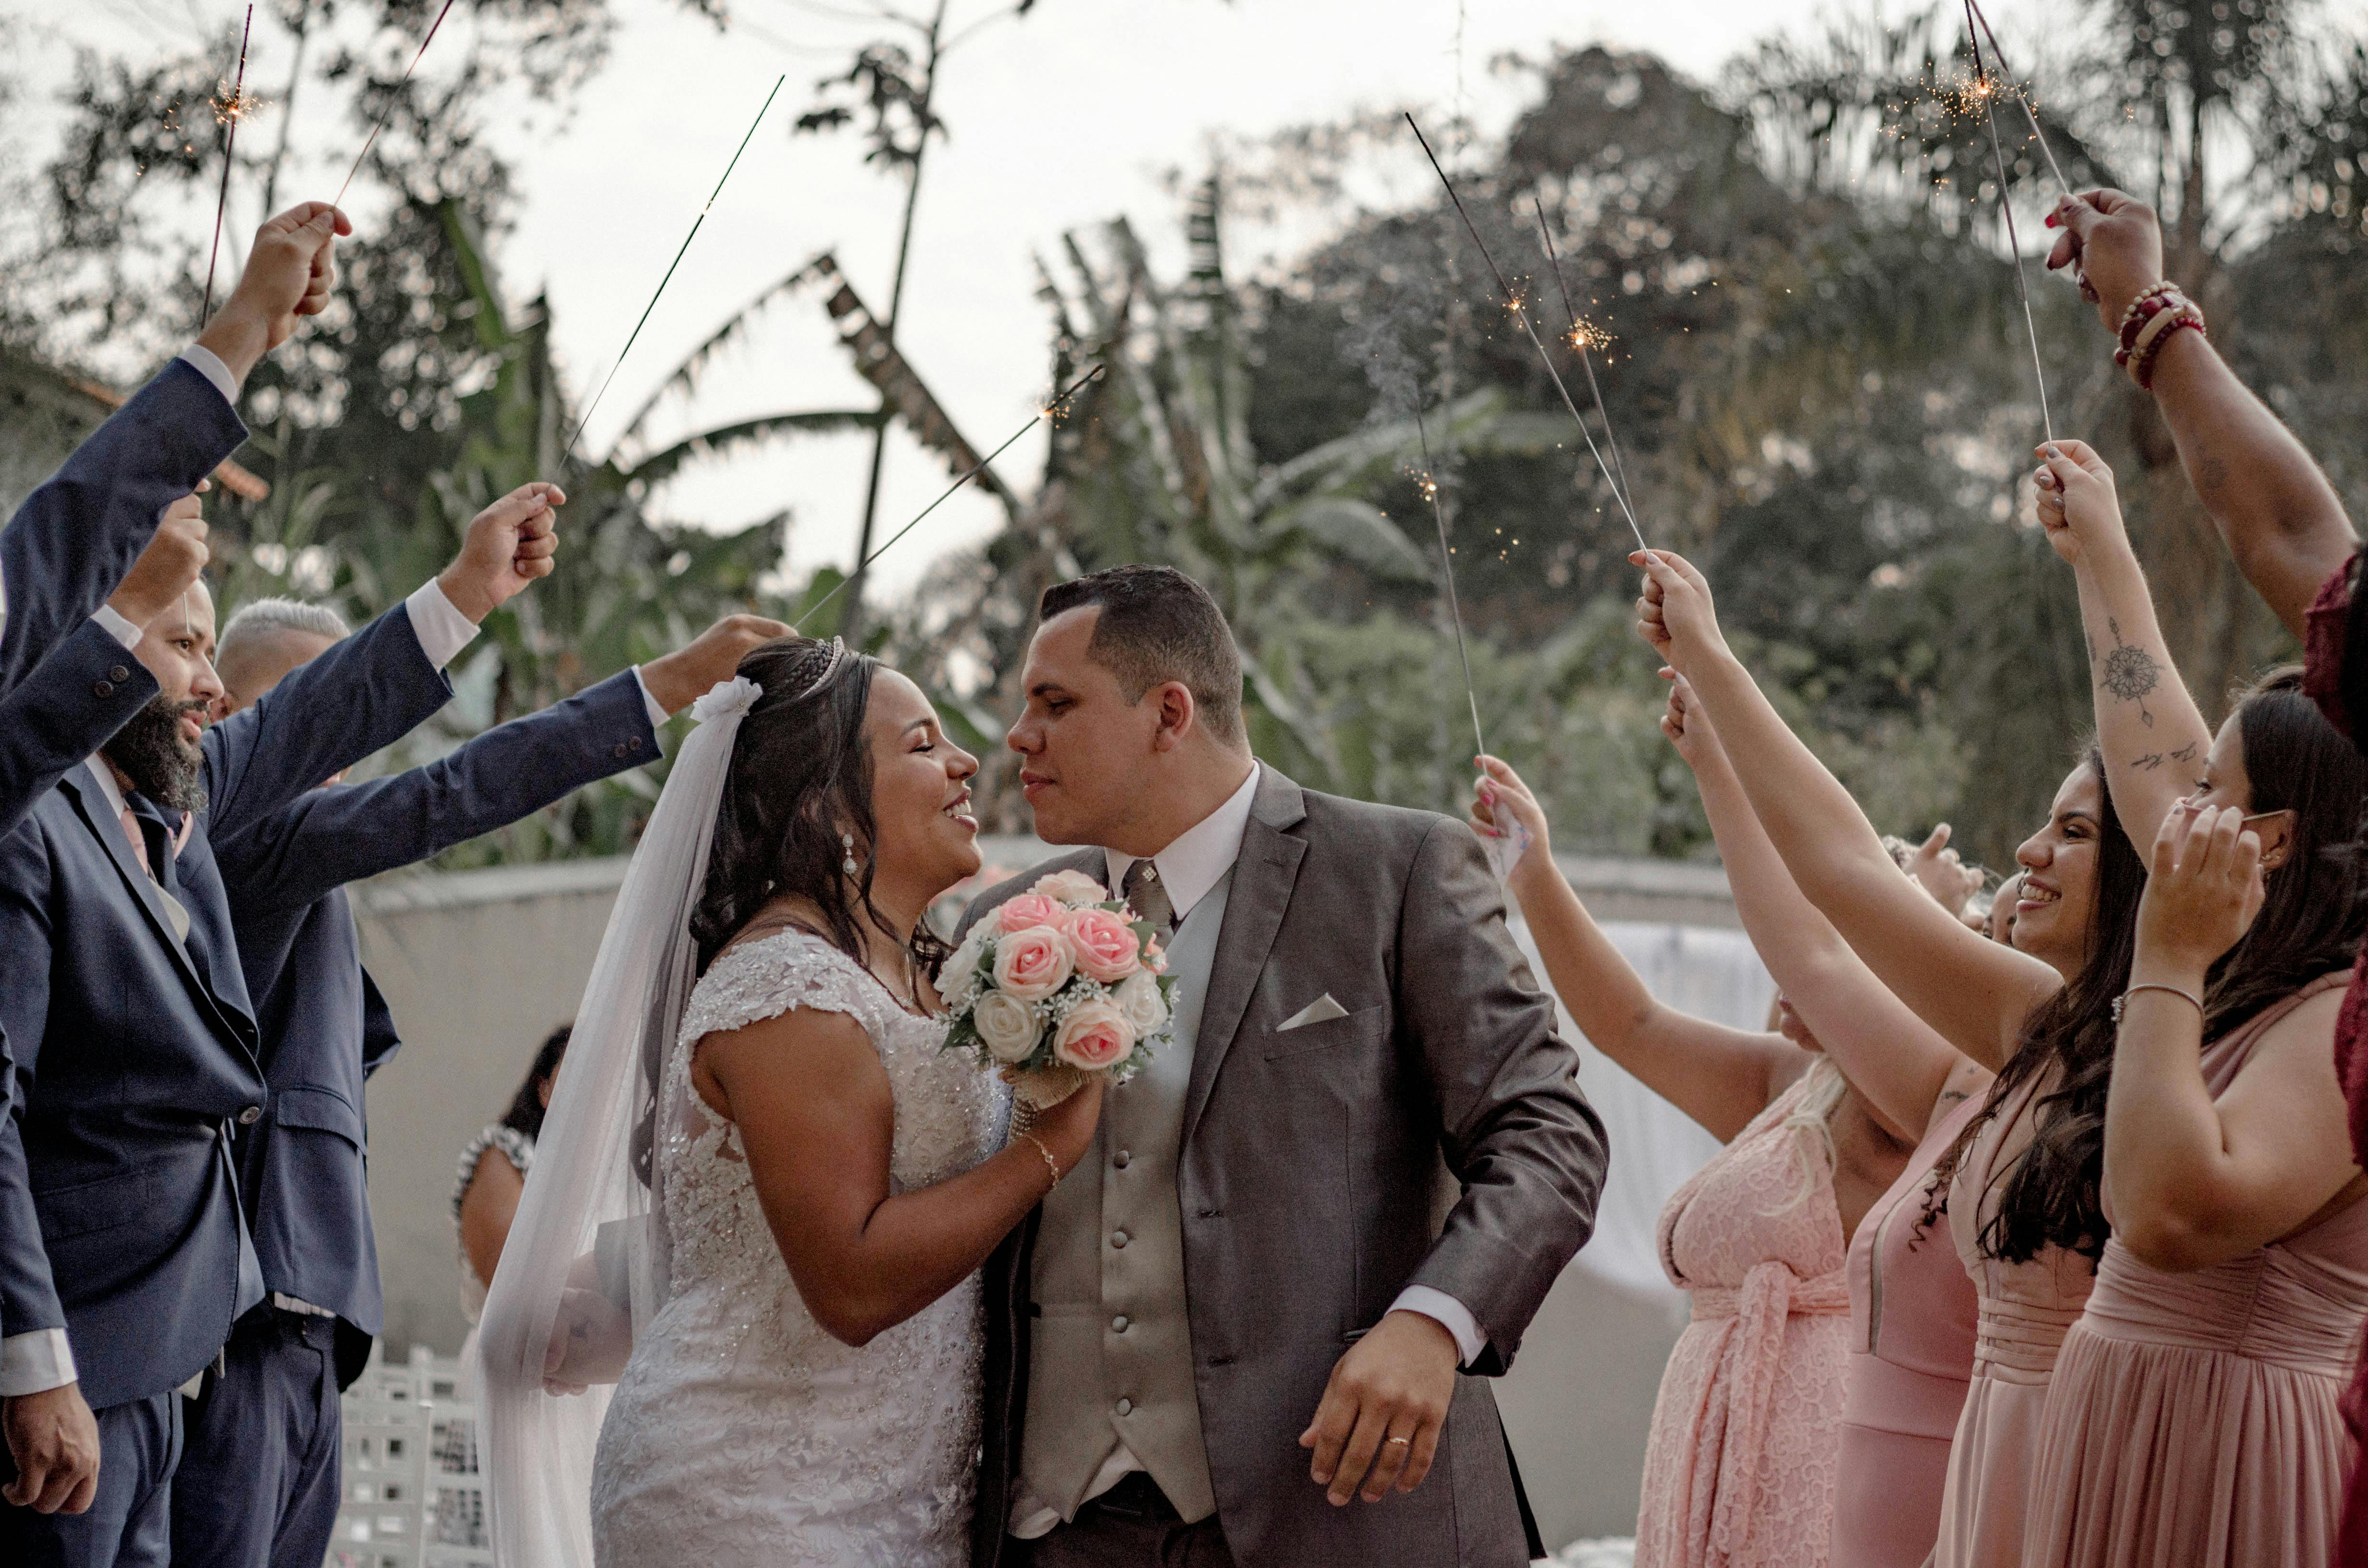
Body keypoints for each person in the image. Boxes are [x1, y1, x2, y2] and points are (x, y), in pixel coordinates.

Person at [957, 564, 1606, 1568]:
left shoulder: (1397, 870)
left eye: (1055, 702)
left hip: (1338, 1511)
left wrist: (1434, 1323)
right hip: (1058, 1525)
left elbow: (1547, 1135)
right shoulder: (1006, 922)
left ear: (1169, 713)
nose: (1017, 736)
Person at [163, 584, 785, 1568]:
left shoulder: (298, 859)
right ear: (234, 715)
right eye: (325, 704)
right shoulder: (243, 833)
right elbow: (447, 793)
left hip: (310, 1323)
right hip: (245, 1318)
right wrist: (661, 685)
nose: (343, 746)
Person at [0, 490, 556, 1568]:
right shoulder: (135, 827)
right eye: (187, 647)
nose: (208, 685)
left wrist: (475, 592)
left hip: (229, 1338)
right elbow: (443, 790)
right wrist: (34, 1355)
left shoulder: (171, 841)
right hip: (137, 1339)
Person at [479, 635, 1104, 1568]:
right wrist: (1049, 1147)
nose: (966, 760)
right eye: (923, 743)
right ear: (828, 807)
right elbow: (849, 1283)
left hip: (900, 1491)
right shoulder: (788, 988)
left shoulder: (923, 975)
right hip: (752, 1495)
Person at [1632, 547, 2145, 1568]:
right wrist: (1716, 742)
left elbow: (1846, 878)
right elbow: (1816, 941)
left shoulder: (2104, 1052)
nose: (2028, 852)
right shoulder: (1979, 1070)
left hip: (2015, 1498)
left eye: (2074, 831)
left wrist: (1718, 660)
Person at [1472, 675, 1980, 1568]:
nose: (1796, 945)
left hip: (1816, 1455)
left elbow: (1812, 948)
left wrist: (1718, 764)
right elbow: (1633, 1026)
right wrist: (1534, 872)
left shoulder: (1914, 1100)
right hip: (1707, 1440)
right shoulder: (1796, 1082)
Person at [2010, 442, 2368, 1565]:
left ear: (2272, 841)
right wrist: (2101, 557)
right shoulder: (2257, 974)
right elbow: (2148, 747)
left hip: (2228, 1451)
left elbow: (2167, 1215)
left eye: (2211, 792)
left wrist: (2164, 953)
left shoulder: (2339, 1016)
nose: (2176, 813)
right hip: (2129, 1427)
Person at [456, 1027, 572, 1335]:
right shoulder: (505, 1153)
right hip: (517, 1346)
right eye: (576, 1073)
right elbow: (506, 1284)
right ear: (544, 1088)